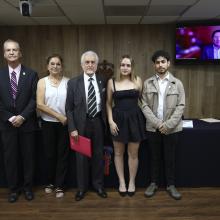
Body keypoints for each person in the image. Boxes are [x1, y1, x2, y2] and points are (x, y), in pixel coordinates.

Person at [141, 50, 185, 200]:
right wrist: (159, 124)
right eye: (157, 62)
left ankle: (171, 185)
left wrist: (168, 125)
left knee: (170, 158)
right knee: (154, 157)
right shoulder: (147, 83)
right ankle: (153, 183)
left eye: (163, 62)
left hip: (172, 129)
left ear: (168, 63)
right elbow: (144, 106)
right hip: (153, 128)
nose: (160, 65)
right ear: (154, 65)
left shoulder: (177, 83)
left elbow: (181, 106)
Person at [66, 51, 107, 201]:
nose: (90, 65)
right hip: (80, 125)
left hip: (97, 123)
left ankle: (98, 186)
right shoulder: (73, 82)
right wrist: (72, 128)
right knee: (81, 158)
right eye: (87, 62)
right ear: (82, 64)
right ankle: (82, 189)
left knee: (97, 155)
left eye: (93, 62)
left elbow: (106, 103)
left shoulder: (103, 80)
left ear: (96, 65)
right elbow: (69, 108)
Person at [0, 39, 38, 203]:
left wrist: (22, 116)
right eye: (8, 50)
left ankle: (28, 188)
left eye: (14, 50)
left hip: (27, 123)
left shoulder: (31, 74)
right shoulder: (0, 74)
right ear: (4, 54)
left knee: (28, 157)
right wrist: (10, 117)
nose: (11, 52)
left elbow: (35, 99)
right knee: (11, 159)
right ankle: (14, 190)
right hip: (7, 125)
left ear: (20, 53)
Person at [106, 55, 146, 197]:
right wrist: (110, 121)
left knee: (133, 153)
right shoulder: (112, 82)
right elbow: (108, 104)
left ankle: (132, 182)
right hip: (117, 121)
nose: (125, 68)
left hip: (135, 119)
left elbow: (143, 101)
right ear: (119, 66)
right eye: (122, 65)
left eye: (128, 65)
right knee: (118, 153)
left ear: (132, 67)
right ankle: (122, 182)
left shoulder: (138, 80)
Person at [37, 54, 69, 198]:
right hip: (48, 123)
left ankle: (60, 186)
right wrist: (59, 116)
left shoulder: (68, 82)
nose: (55, 66)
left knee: (63, 155)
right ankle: (50, 182)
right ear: (47, 66)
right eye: (52, 63)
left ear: (62, 67)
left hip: (65, 124)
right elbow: (39, 105)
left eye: (58, 64)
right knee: (49, 155)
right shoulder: (42, 82)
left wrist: (66, 118)